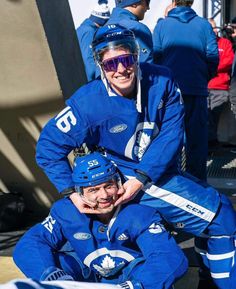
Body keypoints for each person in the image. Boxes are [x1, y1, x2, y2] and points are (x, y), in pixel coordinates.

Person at [35, 24, 236, 289]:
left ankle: (208, 279)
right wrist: (72, 192)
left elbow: (171, 135)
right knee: (221, 216)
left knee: (214, 211)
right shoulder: (87, 103)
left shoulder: (163, 81)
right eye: (111, 64)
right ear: (100, 65)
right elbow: (48, 147)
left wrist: (143, 176)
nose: (120, 69)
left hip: (150, 173)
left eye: (125, 59)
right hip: (123, 177)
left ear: (136, 55)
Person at [13, 153, 188, 289]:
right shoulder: (65, 211)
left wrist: (138, 285)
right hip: (87, 277)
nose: (103, 195)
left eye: (108, 185)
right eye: (93, 190)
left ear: (118, 182)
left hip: (130, 280)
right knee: (50, 266)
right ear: (79, 192)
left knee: (155, 272)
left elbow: (169, 256)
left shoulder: (140, 213)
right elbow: (31, 243)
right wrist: (50, 275)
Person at [152, 0, 219, 180]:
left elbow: (155, 57)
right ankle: (197, 184)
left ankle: (172, 183)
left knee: (170, 138)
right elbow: (213, 56)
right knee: (197, 141)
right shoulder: (204, 25)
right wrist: (202, 77)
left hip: (170, 91)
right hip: (196, 89)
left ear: (173, 2)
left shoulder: (162, 25)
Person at [207, 18, 234, 150]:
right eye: (209, 28)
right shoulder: (201, 43)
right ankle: (210, 145)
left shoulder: (225, 43)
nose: (213, 30)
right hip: (204, 87)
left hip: (220, 87)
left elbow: (228, 61)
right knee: (206, 117)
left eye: (213, 27)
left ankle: (212, 144)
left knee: (213, 117)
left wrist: (210, 66)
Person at [76, 0, 110, 81]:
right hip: (89, 79)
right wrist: (95, 79)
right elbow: (89, 58)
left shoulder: (84, 29)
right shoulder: (89, 32)